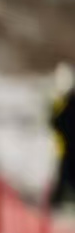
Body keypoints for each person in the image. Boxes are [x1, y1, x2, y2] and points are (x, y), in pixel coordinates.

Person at [46, 63, 72, 212]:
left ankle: (58, 199)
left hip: (67, 145)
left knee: (65, 172)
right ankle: (58, 199)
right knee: (64, 172)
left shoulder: (68, 101)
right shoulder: (60, 99)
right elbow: (55, 120)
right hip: (63, 144)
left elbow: (59, 121)